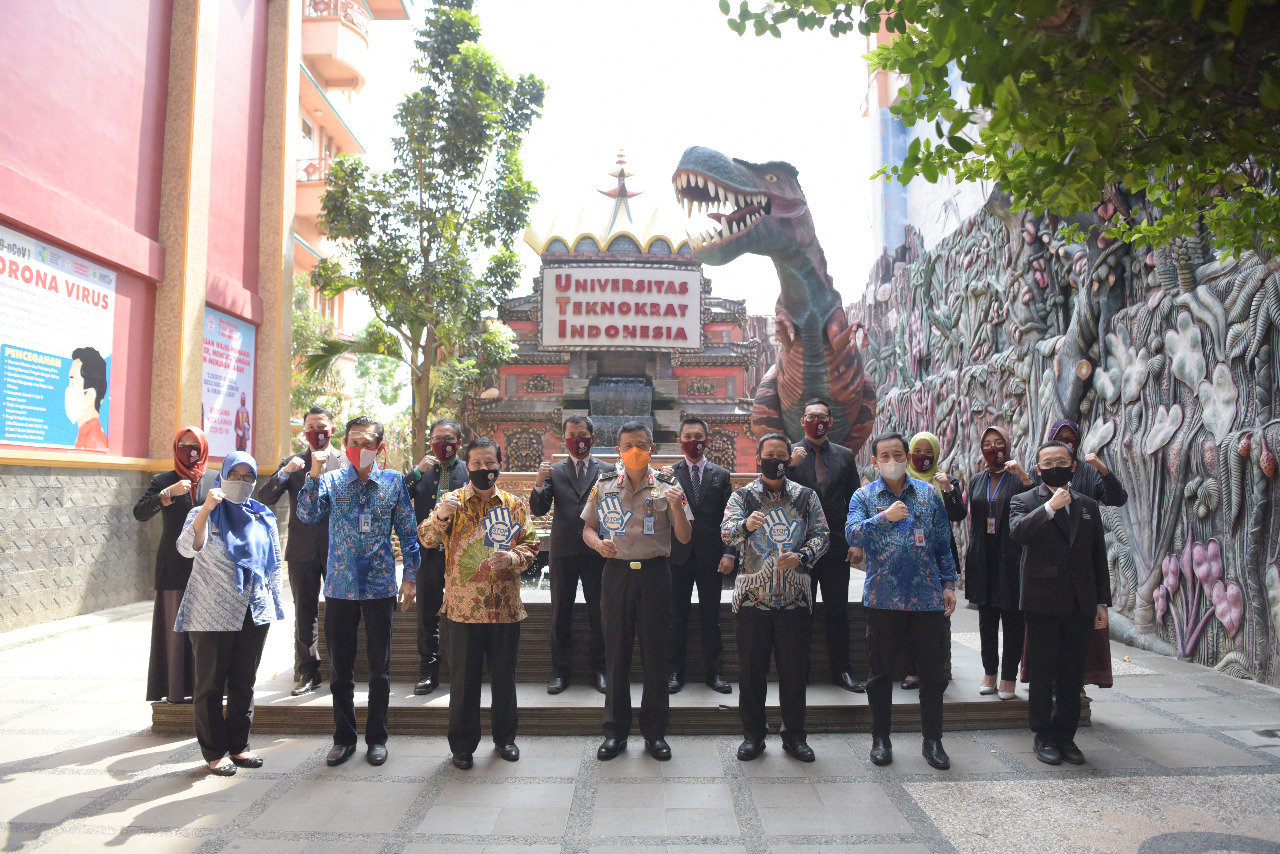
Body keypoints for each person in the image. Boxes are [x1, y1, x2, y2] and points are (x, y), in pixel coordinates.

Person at [296, 415, 421, 768]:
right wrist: (314, 474)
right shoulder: (332, 481)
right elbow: (306, 515)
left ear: (379, 447)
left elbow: (409, 534)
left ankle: (377, 739)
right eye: (353, 441)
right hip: (340, 588)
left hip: (381, 586)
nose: (358, 449)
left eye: (367, 443)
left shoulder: (393, 482)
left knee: (380, 670)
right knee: (341, 671)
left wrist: (410, 578)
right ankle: (343, 738)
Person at [418, 437, 540, 769]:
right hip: (463, 609)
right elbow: (426, 538)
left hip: (504, 608)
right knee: (463, 680)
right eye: (476, 464)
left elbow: (532, 545)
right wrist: (441, 513)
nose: (483, 469)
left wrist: (513, 557)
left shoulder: (514, 504)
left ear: (499, 465)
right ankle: (461, 745)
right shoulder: (452, 501)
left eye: (490, 463)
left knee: (504, 677)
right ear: (466, 466)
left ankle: (506, 739)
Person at [846, 431, 958, 770]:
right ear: (876, 461)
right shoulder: (864, 495)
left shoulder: (927, 494)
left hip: (926, 597)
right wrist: (883, 518)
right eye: (885, 456)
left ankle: (933, 740)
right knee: (880, 674)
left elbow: (942, 542)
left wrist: (949, 582)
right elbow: (851, 533)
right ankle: (881, 739)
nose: (892, 461)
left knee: (932, 673)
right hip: (883, 597)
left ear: (907, 457)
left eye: (898, 454)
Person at [582, 420, 692, 762]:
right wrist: (599, 545)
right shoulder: (602, 485)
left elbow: (685, 536)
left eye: (642, 445)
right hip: (616, 575)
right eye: (629, 445)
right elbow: (587, 528)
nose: (635, 451)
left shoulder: (668, 485)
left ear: (652, 449)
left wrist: (675, 507)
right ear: (618, 450)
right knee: (616, 654)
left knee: (655, 655)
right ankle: (614, 733)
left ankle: (656, 733)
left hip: (655, 575)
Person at [174, 451, 285, 775]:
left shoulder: (263, 515)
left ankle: (239, 746)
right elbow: (184, 548)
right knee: (209, 685)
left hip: (253, 611)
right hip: (211, 610)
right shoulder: (203, 512)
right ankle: (214, 751)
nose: (240, 482)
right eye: (234, 476)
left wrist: (272, 601)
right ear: (221, 476)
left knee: (243, 682)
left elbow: (274, 563)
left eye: (247, 477)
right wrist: (206, 509)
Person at [722, 432, 829, 762]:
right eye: (769, 455)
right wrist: (746, 527)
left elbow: (823, 535)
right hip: (753, 600)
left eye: (782, 455)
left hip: (795, 598)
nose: (776, 460)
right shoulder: (743, 497)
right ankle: (753, 735)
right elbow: (726, 532)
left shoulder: (805, 497)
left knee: (794, 672)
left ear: (789, 458)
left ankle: (794, 735)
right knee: (751, 673)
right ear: (758, 459)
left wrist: (803, 556)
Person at [1009, 441, 1111, 766]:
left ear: (1074, 466)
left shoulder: (1088, 506)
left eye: (1062, 461)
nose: (1055, 466)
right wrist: (1050, 507)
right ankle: (1043, 735)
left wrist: (1102, 604)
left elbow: (1099, 557)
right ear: (1038, 469)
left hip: (1081, 603)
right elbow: (1018, 534)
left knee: (1072, 673)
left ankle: (1066, 735)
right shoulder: (1023, 500)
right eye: (1048, 462)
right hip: (1042, 602)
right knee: (1042, 672)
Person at [257, 406, 343, 696]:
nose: (316, 432)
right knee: (304, 613)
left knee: (338, 610)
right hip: (302, 550)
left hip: (338, 550)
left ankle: (340, 671)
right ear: (304, 432)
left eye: (322, 426)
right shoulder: (293, 463)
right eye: (310, 427)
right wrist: (284, 472)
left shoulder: (345, 463)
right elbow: (265, 497)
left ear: (332, 430)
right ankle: (308, 672)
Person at [530, 415, 613, 694]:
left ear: (593, 438)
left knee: (598, 612)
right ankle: (559, 672)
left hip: (596, 551)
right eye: (571, 434)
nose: (577, 439)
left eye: (582, 434)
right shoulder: (554, 471)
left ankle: (600, 670)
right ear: (564, 439)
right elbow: (539, 509)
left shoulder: (608, 470)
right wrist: (539, 483)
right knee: (560, 613)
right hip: (563, 550)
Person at [786, 398, 863, 692]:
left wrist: (856, 542)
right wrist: (790, 467)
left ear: (830, 422)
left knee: (837, 612)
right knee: (800, 612)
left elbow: (855, 502)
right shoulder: (791, 454)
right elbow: (779, 493)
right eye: (810, 416)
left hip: (835, 546)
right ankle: (798, 673)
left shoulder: (845, 455)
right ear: (802, 421)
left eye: (821, 416)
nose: (815, 421)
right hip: (800, 549)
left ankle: (842, 671)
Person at [1043, 417, 1126, 690]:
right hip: (1050, 561)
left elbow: (1116, 497)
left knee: (1083, 633)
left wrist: (1103, 470)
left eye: (1071, 436)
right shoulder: (1043, 471)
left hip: (1082, 560)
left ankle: (1077, 684)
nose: (1067, 441)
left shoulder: (1087, 473)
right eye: (1061, 436)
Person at [135, 427, 211, 703]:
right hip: (174, 566)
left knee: (208, 631)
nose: (189, 449)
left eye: (194, 444)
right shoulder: (163, 480)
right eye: (183, 444)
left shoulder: (215, 479)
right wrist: (168, 493)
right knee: (176, 630)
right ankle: (177, 690)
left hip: (209, 568)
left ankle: (209, 689)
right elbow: (140, 512)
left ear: (203, 448)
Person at [963, 426, 1036, 700]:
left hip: (1012, 556)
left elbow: (1039, 503)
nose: (993, 449)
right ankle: (989, 673)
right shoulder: (977, 480)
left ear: (1008, 444)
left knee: (1013, 619)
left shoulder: (1018, 476)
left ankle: (1008, 677)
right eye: (987, 444)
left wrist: (1025, 476)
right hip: (983, 556)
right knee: (986, 619)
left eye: (998, 443)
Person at [665, 417, 736, 695]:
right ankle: (674, 672)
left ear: (707, 440)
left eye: (698, 436)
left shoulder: (722, 475)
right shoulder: (668, 474)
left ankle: (715, 672)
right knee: (675, 617)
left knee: (711, 617)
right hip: (676, 556)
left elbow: (730, 520)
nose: (693, 441)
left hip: (711, 557)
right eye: (687, 436)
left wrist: (730, 552)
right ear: (679, 441)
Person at [899, 431, 967, 691]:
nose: (923, 457)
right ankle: (912, 671)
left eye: (930, 452)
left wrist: (948, 489)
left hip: (937, 554)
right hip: (907, 555)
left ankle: (937, 669)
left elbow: (958, 514)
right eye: (919, 451)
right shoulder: (901, 480)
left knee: (938, 617)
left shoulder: (944, 481)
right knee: (907, 615)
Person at [408, 418, 470, 695]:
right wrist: (415, 472)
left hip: (462, 555)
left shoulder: (469, 471)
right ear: (430, 441)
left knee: (463, 611)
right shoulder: (423, 472)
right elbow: (396, 495)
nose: (443, 444)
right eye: (438, 438)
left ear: (459, 442)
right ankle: (428, 670)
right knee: (427, 613)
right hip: (428, 553)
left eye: (449, 439)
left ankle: (463, 669)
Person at [67, 346, 108, 451]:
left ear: (89, 395)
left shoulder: (93, 443)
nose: (68, 389)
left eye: (72, 383)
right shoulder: (85, 434)